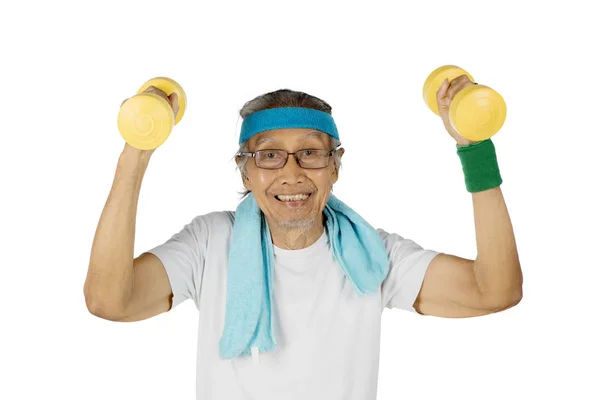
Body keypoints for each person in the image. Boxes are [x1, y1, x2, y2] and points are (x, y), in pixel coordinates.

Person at [84, 76, 523, 400]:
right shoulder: (210, 242)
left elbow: (494, 291)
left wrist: (476, 148)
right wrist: (136, 152)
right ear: (245, 169)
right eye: (269, 155)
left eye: (311, 153)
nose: (292, 173)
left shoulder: (373, 254)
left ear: (335, 165)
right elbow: (110, 300)